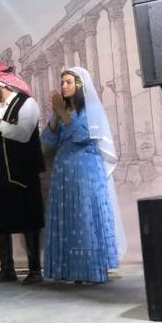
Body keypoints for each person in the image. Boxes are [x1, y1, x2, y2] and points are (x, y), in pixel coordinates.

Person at [42, 67, 121, 283]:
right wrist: (56, 115)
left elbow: (83, 135)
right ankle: (69, 270)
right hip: (63, 168)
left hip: (85, 167)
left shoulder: (91, 108)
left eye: (68, 82)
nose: (63, 86)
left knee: (84, 216)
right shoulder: (63, 110)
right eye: (62, 82)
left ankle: (90, 270)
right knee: (67, 216)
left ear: (80, 85)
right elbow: (48, 140)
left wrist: (62, 114)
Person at [0, 62, 46, 285]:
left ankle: (35, 270)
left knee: (29, 220)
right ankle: (7, 269)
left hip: (23, 173)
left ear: (1, 83)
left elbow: (23, 134)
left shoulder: (28, 103)